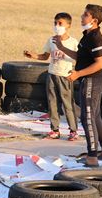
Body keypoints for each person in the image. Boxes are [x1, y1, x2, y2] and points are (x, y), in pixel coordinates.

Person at [54, 4, 102, 167]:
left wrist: (78, 74)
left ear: (94, 20)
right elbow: (80, 57)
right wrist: (61, 47)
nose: (81, 17)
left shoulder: (95, 38)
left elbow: (100, 63)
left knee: (87, 118)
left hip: (92, 81)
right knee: (94, 116)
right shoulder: (87, 36)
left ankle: (92, 156)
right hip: (90, 81)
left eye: (86, 15)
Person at [24, 12, 80, 141]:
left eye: (60, 23)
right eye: (55, 23)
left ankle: (73, 130)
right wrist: (33, 56)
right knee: (52, 103)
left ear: (68, 25)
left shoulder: (73, 42)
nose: (57, 26)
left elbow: (78, 57)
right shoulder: (51, 40)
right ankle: (55, 130)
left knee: (67, 104)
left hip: (65, 76)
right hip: (52, 74)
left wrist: (76, 72)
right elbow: (45, 56)